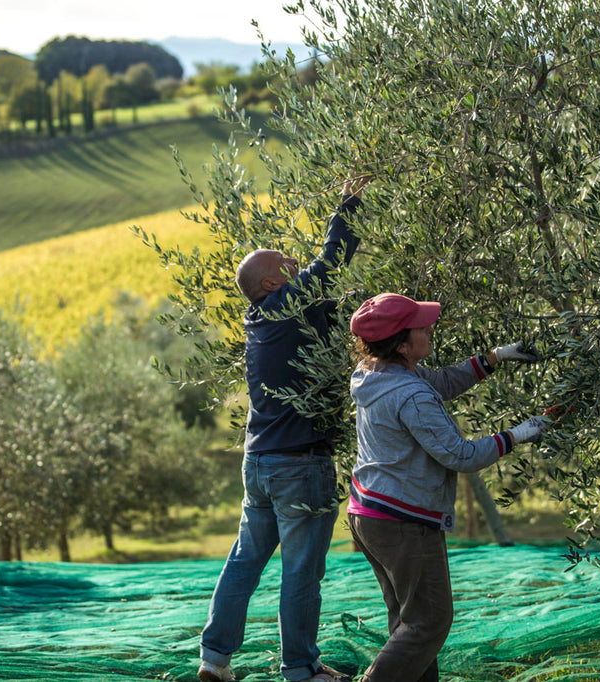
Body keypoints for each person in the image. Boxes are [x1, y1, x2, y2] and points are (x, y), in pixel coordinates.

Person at [198, 176, 370, 682]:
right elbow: (331, 259)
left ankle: (214, 659)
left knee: (244, 561)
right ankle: (301, 668)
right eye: (285, 264)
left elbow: (333, 308)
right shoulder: (283, 305)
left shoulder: (265, 318)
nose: (296, 264)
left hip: (260, 463)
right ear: (273, 284)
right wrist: (349, 204)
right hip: (299, 463)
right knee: (301, 571)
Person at [345, 292, 550, 682]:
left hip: (370, 513)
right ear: (402, 345)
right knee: (430, 621)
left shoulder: (376, 372)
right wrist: (518, 435)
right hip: (403, 519)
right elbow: (461, 455)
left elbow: (441, 382)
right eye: (421, 327)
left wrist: (494, 358)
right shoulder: (411, 394)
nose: (430, 328)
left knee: (409, 622)